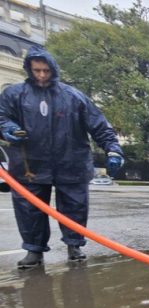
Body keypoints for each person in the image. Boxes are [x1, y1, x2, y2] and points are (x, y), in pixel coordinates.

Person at [0, 46, 124, 269]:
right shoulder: (14, 95)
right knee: (29, 209)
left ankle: (74, 246)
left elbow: (99, 125)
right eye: (36, 70)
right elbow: (2, 117)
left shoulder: (73, 97)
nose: (41, 75)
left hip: (71, 161)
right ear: (29, 69)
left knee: (75, 206)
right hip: (30, 164)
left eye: (45, 70)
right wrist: (7, 128)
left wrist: (113, 149)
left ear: (53, 70)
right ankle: (33, 250)